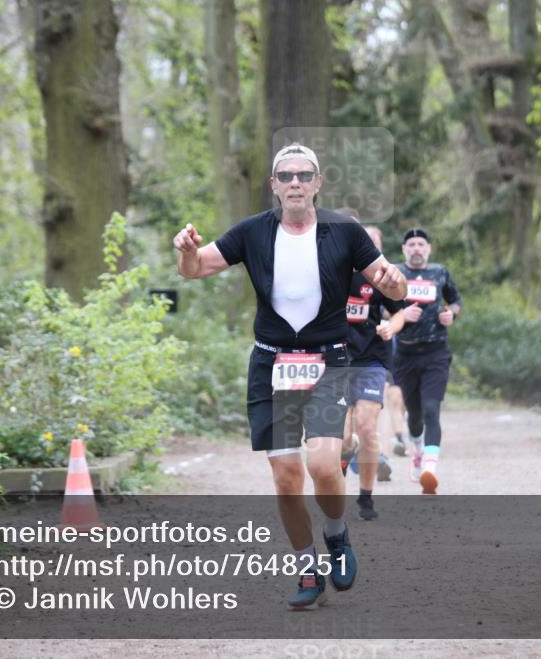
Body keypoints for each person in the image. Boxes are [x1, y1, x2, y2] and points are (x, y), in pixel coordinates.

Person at [172, 143, 407, 609]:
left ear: (318, 183)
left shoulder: (344, 230)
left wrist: (394, 282)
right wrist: (186, 251)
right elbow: (196, 270)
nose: (295, 182)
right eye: (286, 176)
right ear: (274, 186)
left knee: (323, 465)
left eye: (304, 175)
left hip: (326, 360)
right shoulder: (253, 232)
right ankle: (307, 570)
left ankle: (337, 535)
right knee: (285, 477)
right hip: (271, 363)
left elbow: (390, 282)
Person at [339, 224, 405, 520]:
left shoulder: (381, 278)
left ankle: (365, 498)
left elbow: (400, 310)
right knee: (341, 439)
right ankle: (341, 466)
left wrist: (392, 325)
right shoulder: (331, 271)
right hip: (334, 360)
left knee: (366, 428)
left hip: (370, 360)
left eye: (375, 245)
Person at [392, 228, 461, 494]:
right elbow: (381, 307)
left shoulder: (440, 272)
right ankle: (418, 454)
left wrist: (451, 314)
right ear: (404, 250)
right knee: (415, 415)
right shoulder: (395, 274)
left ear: (429, 248)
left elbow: (455, 301)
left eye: (421, 244)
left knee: (432, 408)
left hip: (436, 353)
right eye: (411, 244)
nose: (417, 248)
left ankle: (430, 469)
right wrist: (400, 313)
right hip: (406, 354)